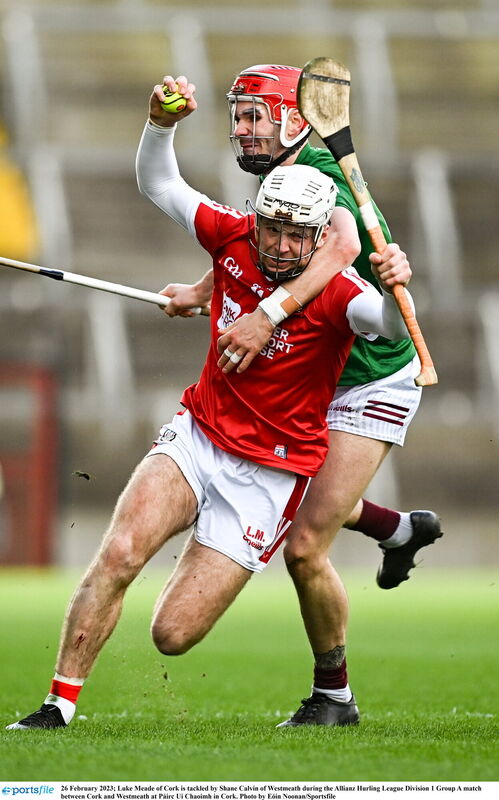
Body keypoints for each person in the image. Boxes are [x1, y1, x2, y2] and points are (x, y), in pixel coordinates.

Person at [7, 78, 413, 730]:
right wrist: (157, 125)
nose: (280, 247)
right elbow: (160, 185)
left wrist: (391, 286)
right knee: (117, 554)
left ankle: (380, 534)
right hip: (198, 436)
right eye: (271, 231)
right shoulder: (231, 238)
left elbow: (389, 327)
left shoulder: (341, 292)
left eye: (295, 237)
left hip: (270, 473)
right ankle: (59, 704)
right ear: (258, 222)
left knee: (172, 634)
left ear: (316, 240)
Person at [161, 66, 443, 726]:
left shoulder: (318, 164)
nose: (242, 128)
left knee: (304, 545)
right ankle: (397, 529)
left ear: (293, 117)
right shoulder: (279, 175)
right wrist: (204, 291)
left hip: (371, 374)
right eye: (238, 115)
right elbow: (268, 249)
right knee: (290, 486)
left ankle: (333, 698)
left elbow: (341, 245)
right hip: (320, 370)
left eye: (255, 115)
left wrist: (268, 315)